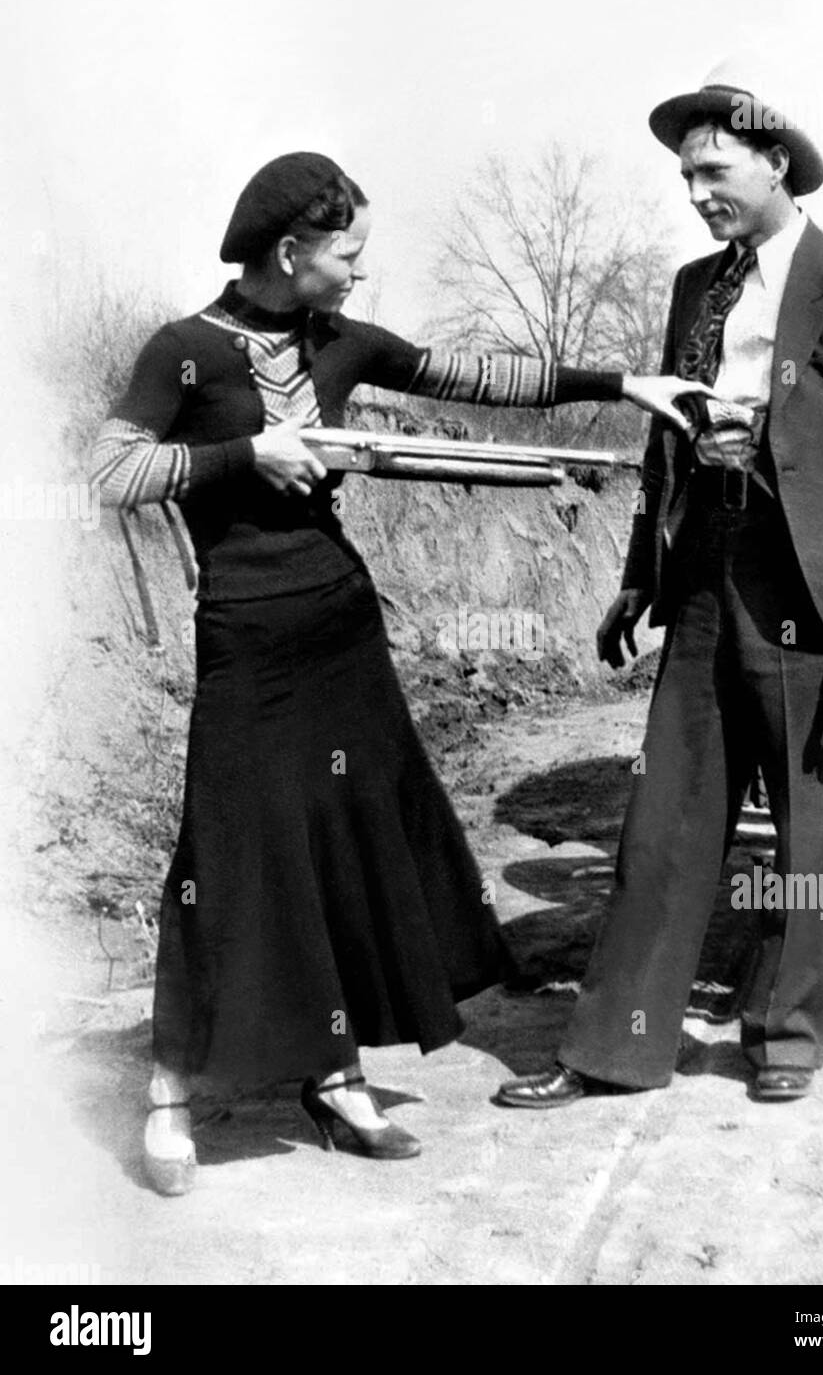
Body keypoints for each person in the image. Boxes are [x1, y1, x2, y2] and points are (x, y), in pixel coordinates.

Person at [91, 151, 709, 1192]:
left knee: (347, 843)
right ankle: (169, 1092)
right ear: (290, 250)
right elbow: (111, 471)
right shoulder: (185, 351)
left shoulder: (340, 343)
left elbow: (476, 375)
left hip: (340, 629)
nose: (358, 274)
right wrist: (244, 456)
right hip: (245, 638)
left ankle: (333, 1074)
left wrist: (625, 384)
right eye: (347, 254)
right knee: (229, 853)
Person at [495, 60, 823, 1110]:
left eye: (713, 169)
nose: (695, 193)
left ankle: (786, 1032)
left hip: (812, 590)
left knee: (805, 827)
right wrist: (638, 575)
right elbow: (666, 443)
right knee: (663, 824)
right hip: (704, 576)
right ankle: (616, 1046)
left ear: (776, 161)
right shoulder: (697, 288)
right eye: (684, 178)